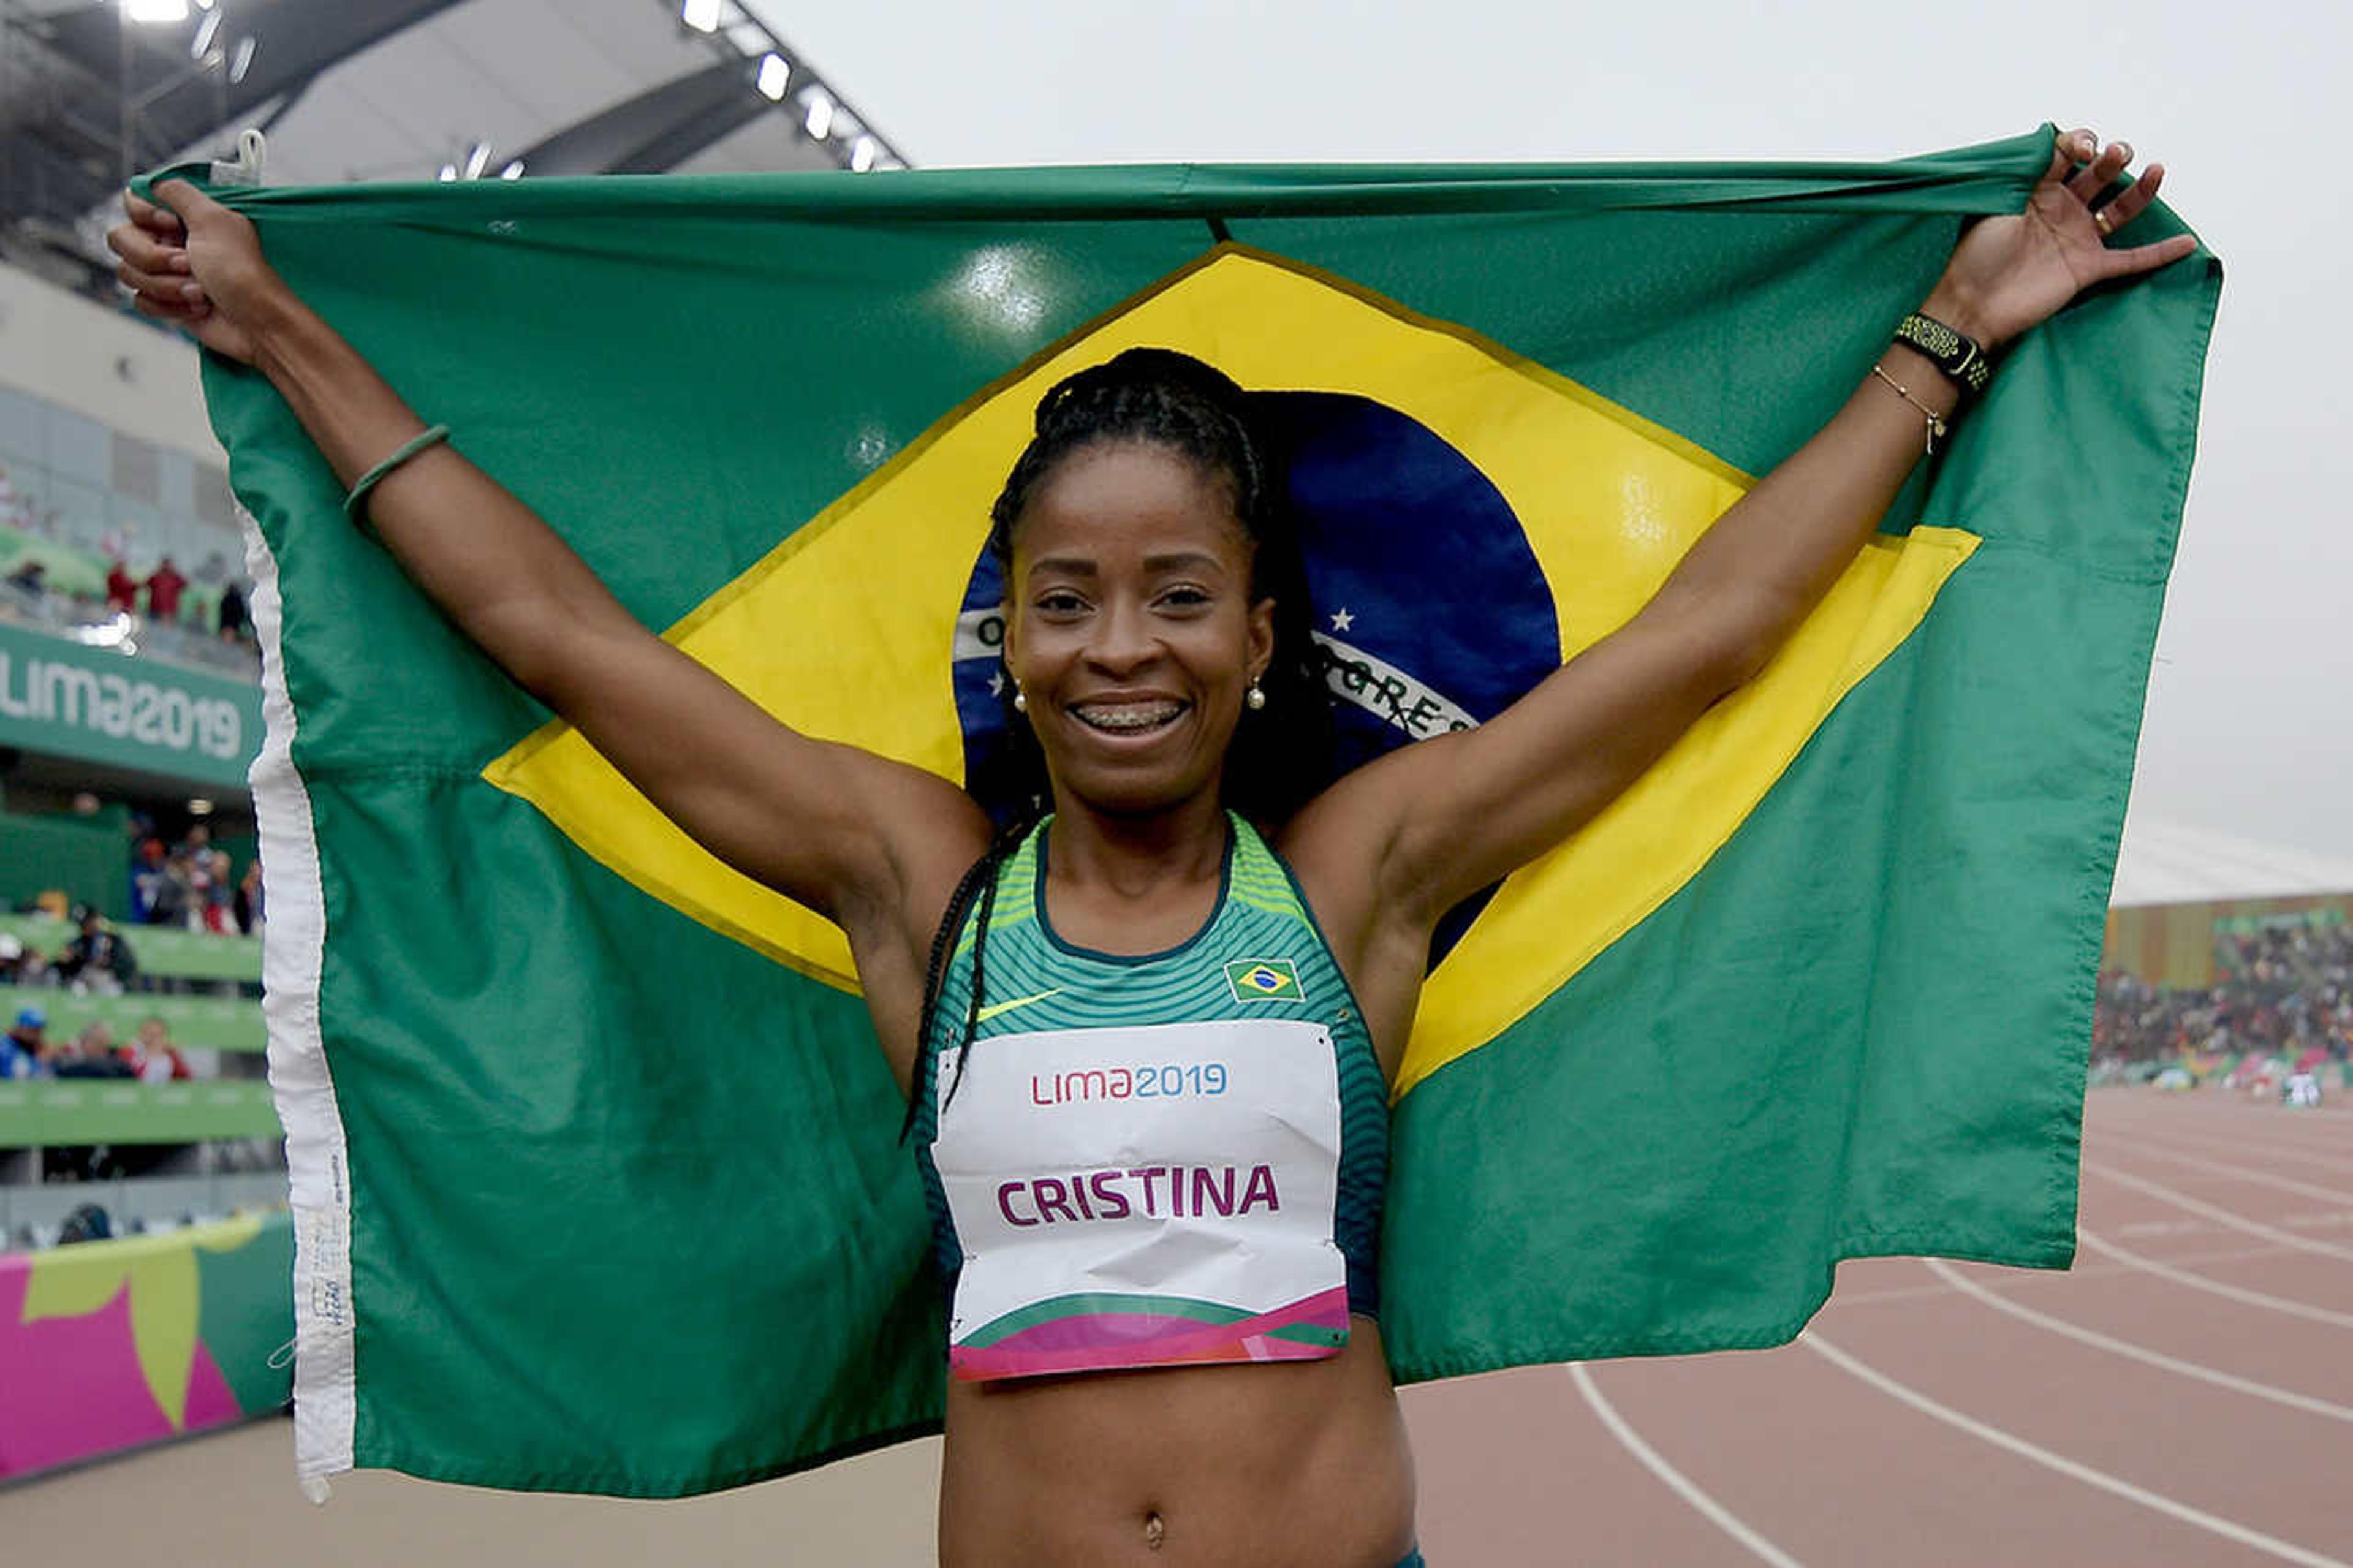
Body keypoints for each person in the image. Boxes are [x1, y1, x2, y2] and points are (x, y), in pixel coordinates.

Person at [110, 127, 2192, 1564]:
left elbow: (1715, 632)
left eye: (1181, 593)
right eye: (1070, 597)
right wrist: (284, 330)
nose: (1125, 645)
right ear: (1001, 632)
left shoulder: (1359, 873)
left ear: (1263, 630)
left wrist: (1955, 326)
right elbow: (555, 632)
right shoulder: (914, 879)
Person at [145, 555, 188, 621]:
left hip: (170, 611)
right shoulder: (156, 577)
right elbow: (147, 585)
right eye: (165, 564)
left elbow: (185, 584)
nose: (166, 567)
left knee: (168, 629)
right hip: (155, 609)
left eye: (168, 564)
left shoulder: (176, 578)